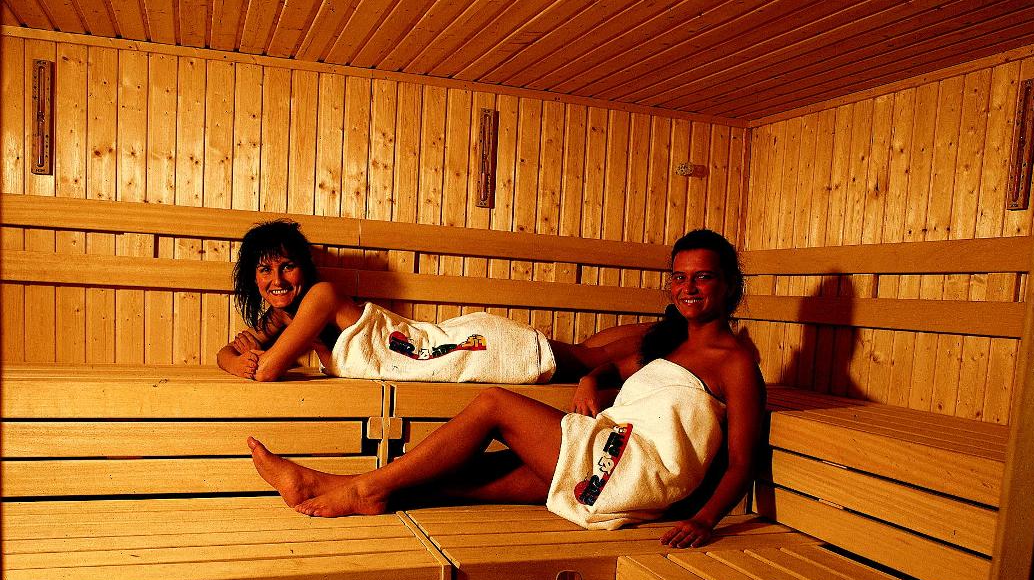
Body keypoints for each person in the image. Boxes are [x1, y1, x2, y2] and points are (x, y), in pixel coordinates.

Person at [248, 229, 765, 548]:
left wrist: (705, 519)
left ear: (730, 285)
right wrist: (590, 379)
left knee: (495, 404)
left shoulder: (736, 361)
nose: (688, 288)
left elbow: (742, 460)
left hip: (638, 470)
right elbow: (620, 373)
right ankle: (324, 484)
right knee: (463, 480)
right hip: (612, 449)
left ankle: (364, 489)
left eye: (703, 278)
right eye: (679, 277)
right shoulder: (671, 345)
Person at [217, 219, 609, 383]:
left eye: (287, 267)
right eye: (265, 270)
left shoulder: (321, 296)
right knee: (586, 354)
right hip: (440, 351)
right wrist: (236, 362)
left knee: (588, 359)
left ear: (304, 268)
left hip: (463, 348)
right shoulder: (280, 318)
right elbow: (228, 352)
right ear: (253, 277)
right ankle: (643, 352)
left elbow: (267, 370)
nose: (277, 280)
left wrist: (254, 359)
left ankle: (649, 347)